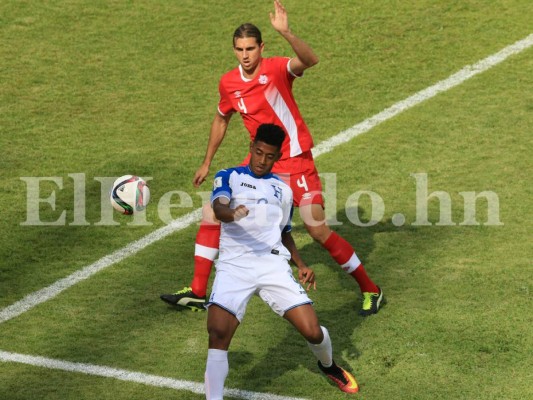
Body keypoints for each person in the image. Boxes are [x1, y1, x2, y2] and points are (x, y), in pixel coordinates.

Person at [161, 0, 384, 316]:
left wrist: (287, 32)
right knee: (212, 210)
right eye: (239, 49)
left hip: (295, 160)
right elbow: (221, 118)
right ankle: (198, 291)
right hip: (261, 165)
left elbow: (311, 59)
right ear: (234, 50)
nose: (246, 55)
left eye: (251, 48)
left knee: (317, 229)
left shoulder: (277, 68)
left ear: (261, 47)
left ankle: (371, 289)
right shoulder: (229, 83)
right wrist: (207, 161)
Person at [204, 124, 359, 398]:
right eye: (259, 153)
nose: (262, 161)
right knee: (218, 334)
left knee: (312, 332)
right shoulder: (229, 176)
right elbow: (219, 208)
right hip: (234, 266)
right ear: (251, 148)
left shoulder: (282, 190)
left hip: (272, 266)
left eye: (269, 156)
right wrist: (233, 214)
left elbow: (284, 231)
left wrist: (300, 264)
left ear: (277, 157)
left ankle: (329, 366)